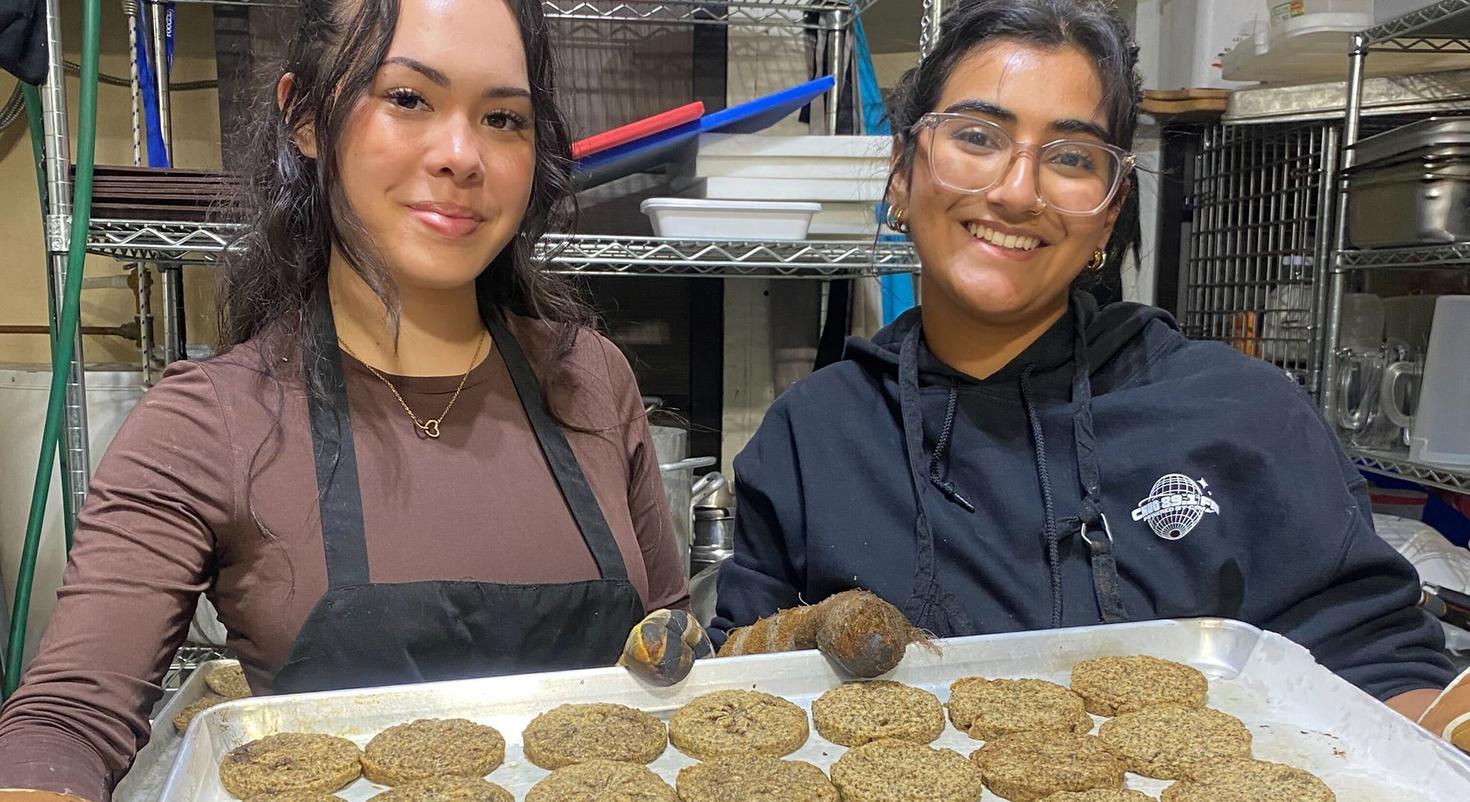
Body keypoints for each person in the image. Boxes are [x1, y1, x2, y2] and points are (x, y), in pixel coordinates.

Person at [0, 1, 699, 799]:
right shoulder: (212, 422)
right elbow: (64, 722)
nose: (462, 155)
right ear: (305, 116)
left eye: (504, 117)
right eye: (408, 99)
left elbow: (666, 652)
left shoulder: (591, 379)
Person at [713, 0, 1456, 723]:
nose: (1016, 192)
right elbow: (747, 685)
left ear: (1109, 206)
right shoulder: (813, 436)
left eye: (1071, 157)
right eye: (977, 137)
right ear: (902, 173)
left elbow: (1377, 663)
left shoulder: (1244, 416)